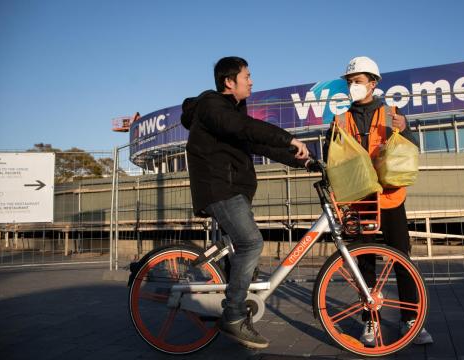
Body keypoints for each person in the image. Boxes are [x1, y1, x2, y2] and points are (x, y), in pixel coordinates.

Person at [180, 56, 309, 349]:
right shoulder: (213, 106)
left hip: (232, 190)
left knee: (240, 255)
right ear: (229, 82)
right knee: (251, 243)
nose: (251, 81)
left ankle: (234, 306)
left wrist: (301, 161)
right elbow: (248, 129)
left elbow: (256, 142)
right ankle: (234, 317)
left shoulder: (231, 112)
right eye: (247, 76)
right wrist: (288, 138)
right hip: (219, 190)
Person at [324, 56, 433, 346]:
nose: (352, 86)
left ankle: (411, 320)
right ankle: (369, 321)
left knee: (402, 259)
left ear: (373, 83)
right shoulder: (340, 119)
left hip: (389, 197)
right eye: (349, 82)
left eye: (357, 81)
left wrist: (405, 128)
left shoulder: (391, 114)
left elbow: (410, 151)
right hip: (358, 201)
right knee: (364, 264)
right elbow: (331, 157)